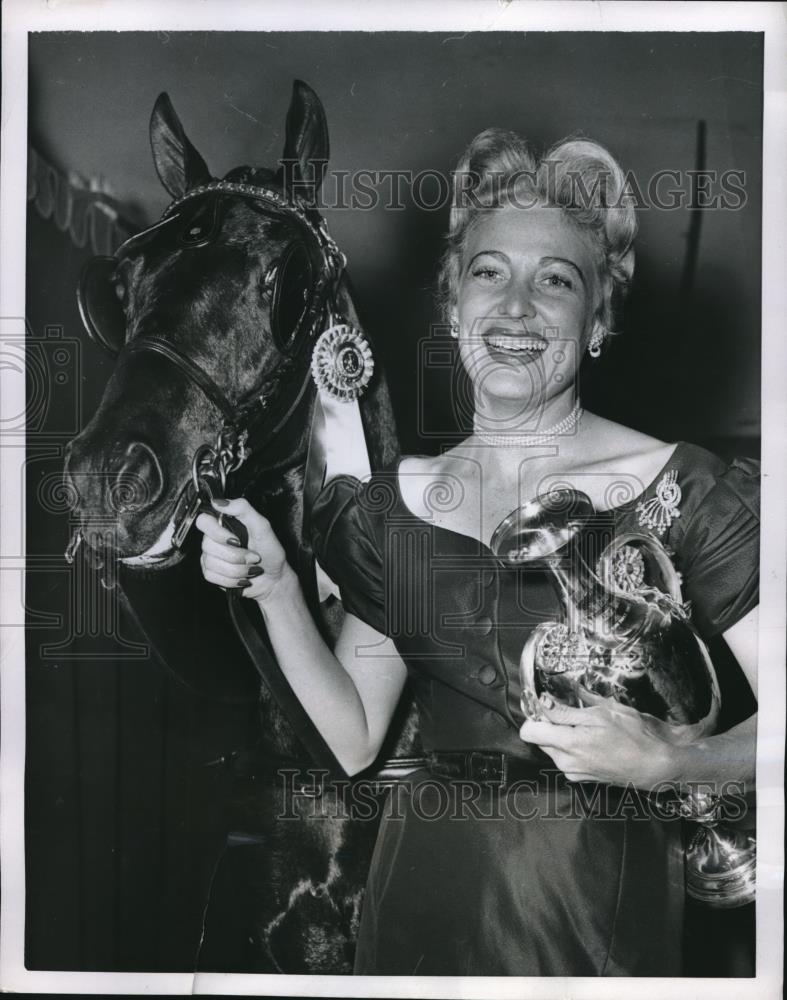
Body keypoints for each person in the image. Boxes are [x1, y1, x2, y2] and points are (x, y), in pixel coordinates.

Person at [196, 129, 759, 976]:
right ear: (452, 304)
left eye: (557, 281)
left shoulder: (682, 486)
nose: (516, 306)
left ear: (598, 321)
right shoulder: (396, 504)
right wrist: (276, 586)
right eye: (487, 272)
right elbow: (351, 737)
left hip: (590, 893)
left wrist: (671, 762)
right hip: (419, 888)